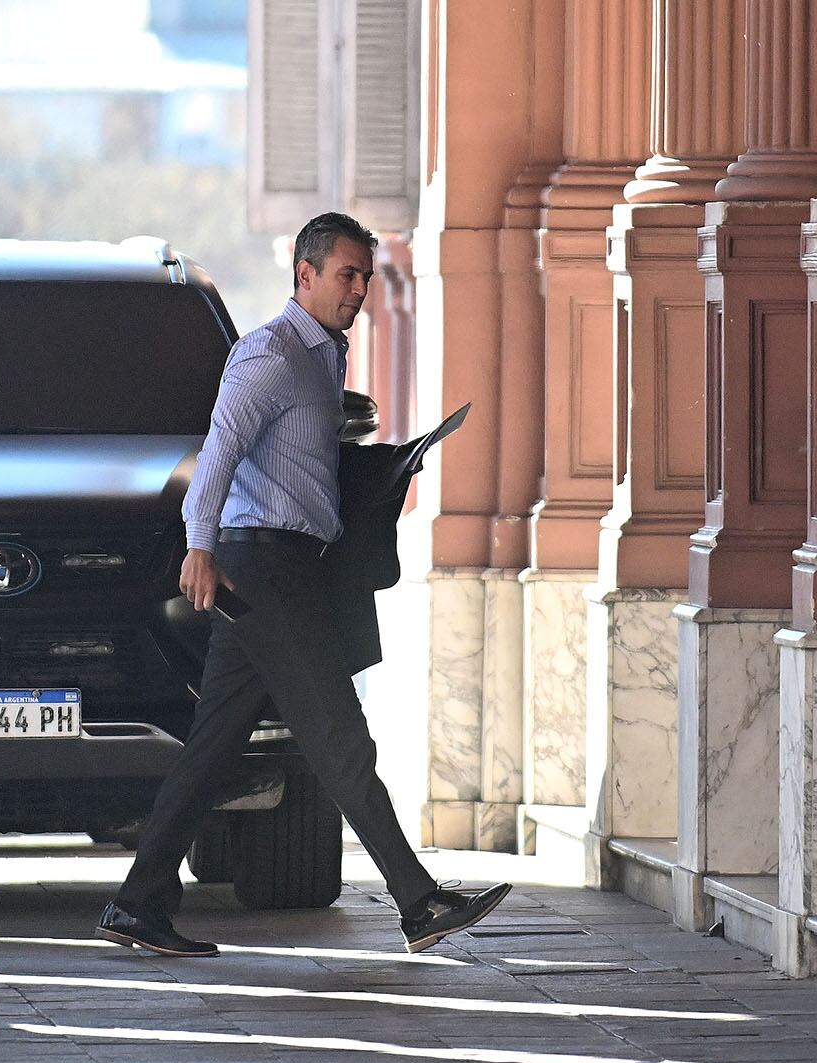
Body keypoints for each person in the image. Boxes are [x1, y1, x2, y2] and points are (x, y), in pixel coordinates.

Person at [95, 211, 511, 957]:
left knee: (211, 750)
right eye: (346, 274)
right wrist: (200, 547)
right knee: (340, 740)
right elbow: (216, 455)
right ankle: (419, 904)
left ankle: (137, 905)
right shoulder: (271, 355)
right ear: (305, 273)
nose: (359, 289)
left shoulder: (325, 356)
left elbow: (303, 464)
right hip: (265, 571)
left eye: (366, 276)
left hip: (285, 570)